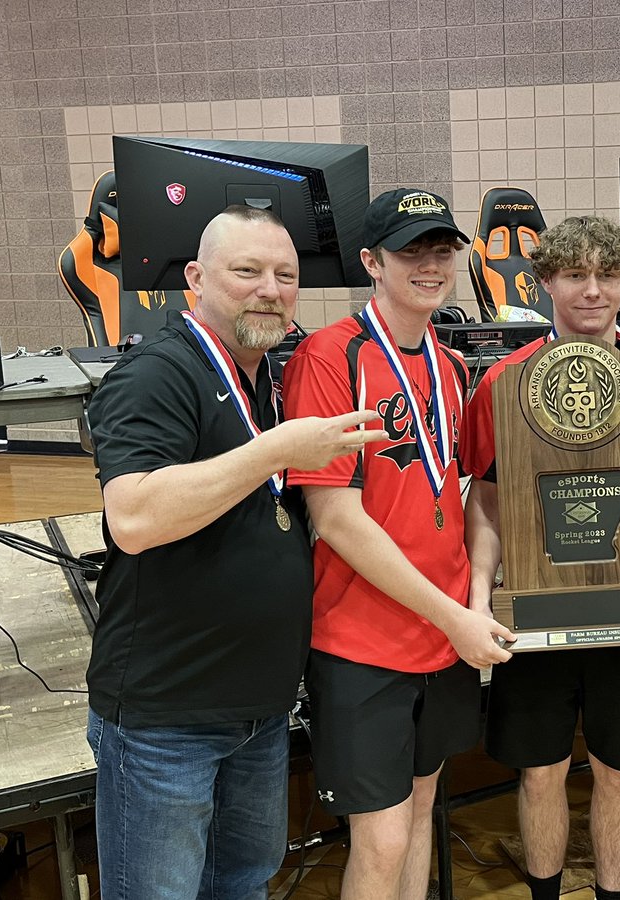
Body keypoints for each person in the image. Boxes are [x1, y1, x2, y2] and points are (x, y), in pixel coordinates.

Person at [85, 205, 385, 900]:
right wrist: (276, 450)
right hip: (167, 719)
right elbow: (132, 517)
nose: (270, 289)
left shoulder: (268, 379)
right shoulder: (156, 375)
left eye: (285, 275)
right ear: (194, 277)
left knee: (242, 884)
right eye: (246, 271)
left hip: (258, 710)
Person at [282, 187, 515, 900]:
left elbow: (467, 494)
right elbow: (339, 519)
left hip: (443, 639)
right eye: (410, 249)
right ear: (370, 262)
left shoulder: (448, 367)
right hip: (362, 642)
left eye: (442, 249)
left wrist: (470, 603)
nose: (430, 263)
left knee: (419, 817)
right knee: (380, 840)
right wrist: (456, 617)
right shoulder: (330, 357)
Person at [464, 215, 620, 900]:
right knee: (541, 770)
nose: (593, 291)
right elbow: (487, 497)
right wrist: (481, 594)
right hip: (536, 608)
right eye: (575, 274)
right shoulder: (504, 383)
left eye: (609, 274)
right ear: (546, 282)